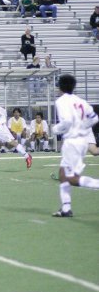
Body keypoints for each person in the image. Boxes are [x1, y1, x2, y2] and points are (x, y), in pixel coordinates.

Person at [51, 74, 99, 217]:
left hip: (72, 142)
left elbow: (66, 122)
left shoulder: (61, 101)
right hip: (82, 141)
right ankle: (66, 208)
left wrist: (55, 129)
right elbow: (95, 117)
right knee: (62, 174)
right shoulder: (80, 101)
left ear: (60, 86)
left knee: (71, 178)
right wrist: (83, 126)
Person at [0, 88, 32, 168]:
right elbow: (2, 112)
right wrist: (2, 119)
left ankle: (27, 156)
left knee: (13, 143)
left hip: (0, 128)